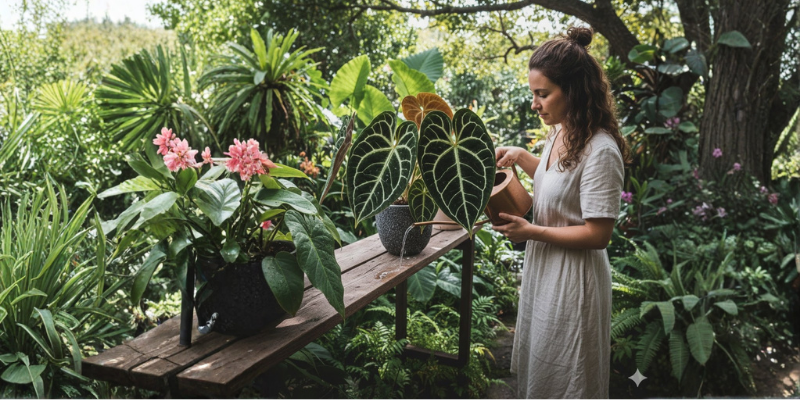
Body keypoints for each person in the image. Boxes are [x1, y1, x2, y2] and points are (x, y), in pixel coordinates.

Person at [492, 26, 630, 398]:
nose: (535, 104)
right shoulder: (562, 131)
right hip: (546, 271)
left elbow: (598, 234)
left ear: (574, 91)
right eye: (533, 94)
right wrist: (522, 157)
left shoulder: (601, 151)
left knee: (569, 376)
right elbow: (557, 184)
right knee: (544, 371)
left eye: (543, 94)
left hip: (574, 281)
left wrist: (531, 231)